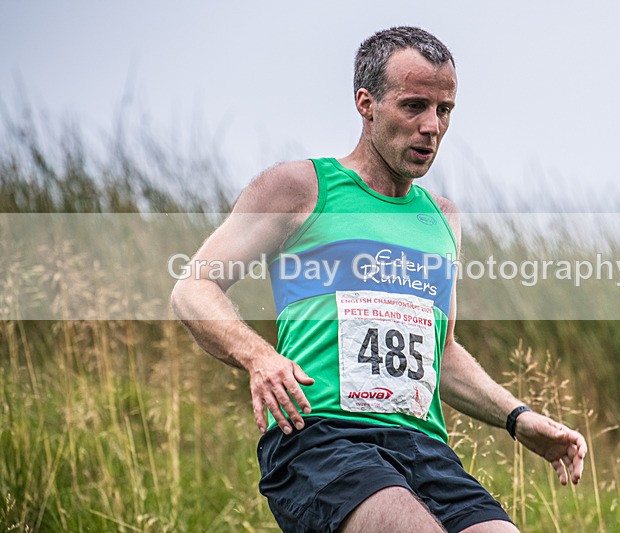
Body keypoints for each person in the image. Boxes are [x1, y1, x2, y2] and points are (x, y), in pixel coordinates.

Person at [171, 26, 587, 533]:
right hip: (321, 440)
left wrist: (519, 420)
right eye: (414, 106)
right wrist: (259, 356)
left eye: (445, 110)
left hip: (423, 451)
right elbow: (193, 288)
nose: (431, 126)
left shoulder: (442, 217)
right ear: (366, 104)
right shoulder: (301, 187)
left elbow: (444, 353)